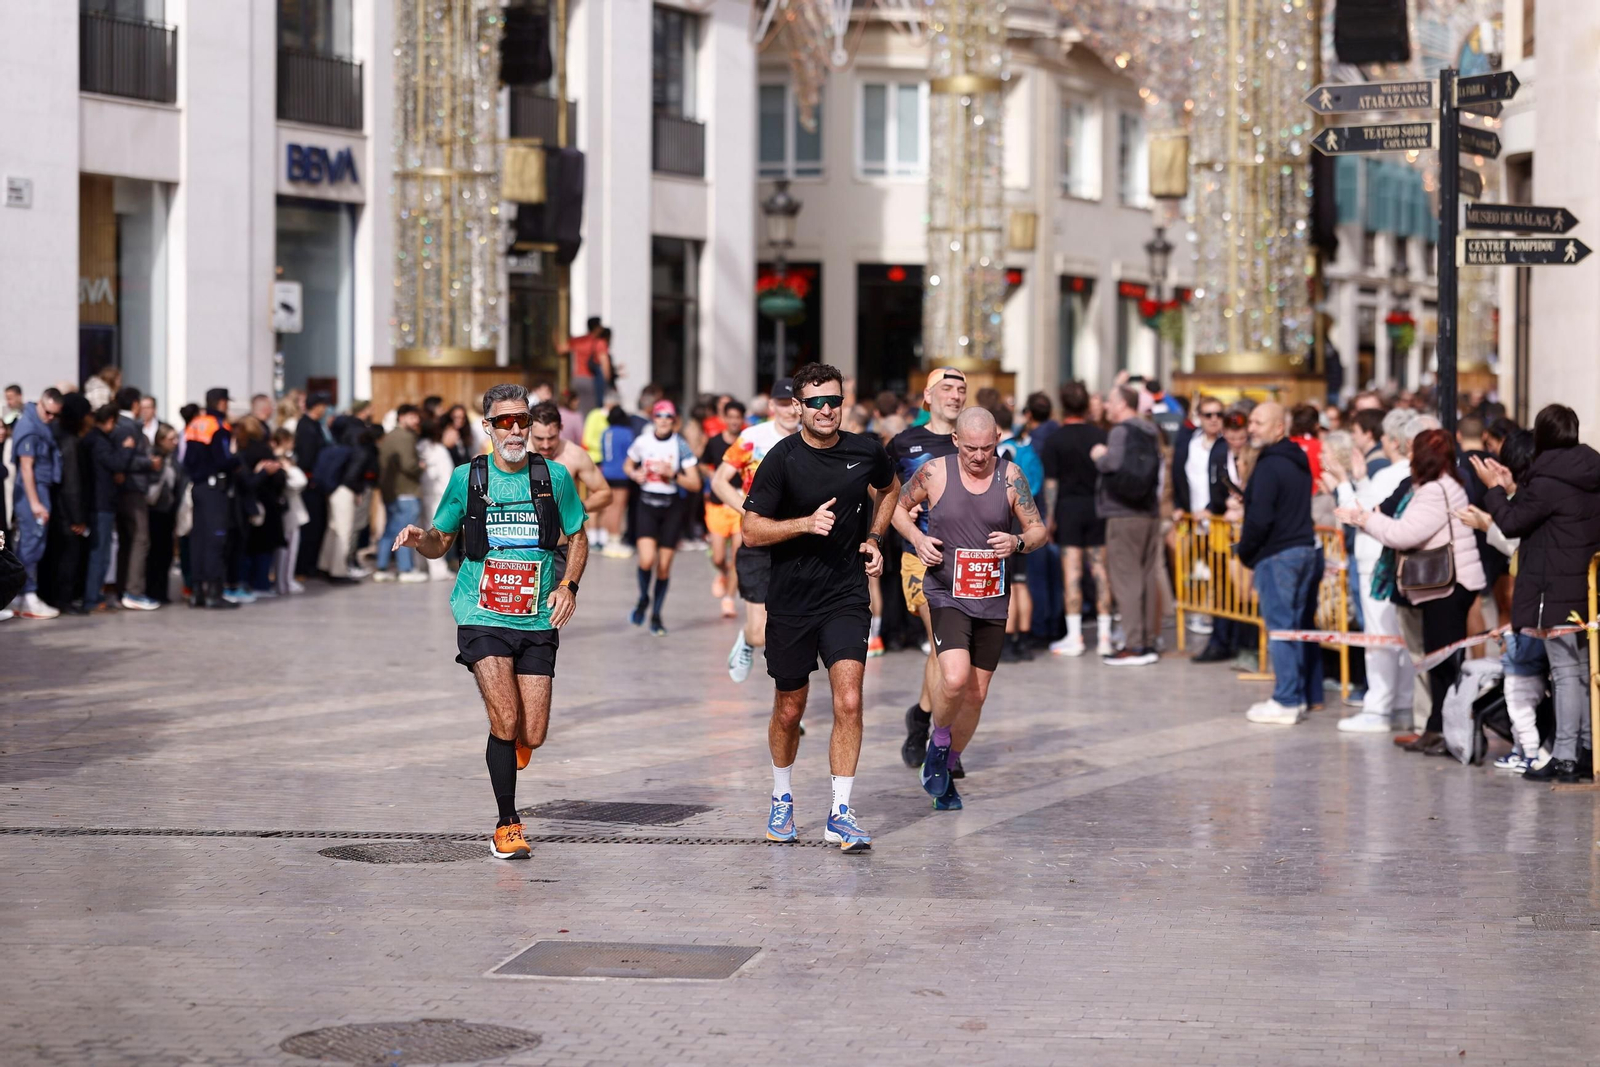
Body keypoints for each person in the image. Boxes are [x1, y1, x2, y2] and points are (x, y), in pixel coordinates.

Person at [391, 383, 589, 859]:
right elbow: (442, 539)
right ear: (488, 427)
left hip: (538, 612)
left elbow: (578, 536)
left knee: (532, 732)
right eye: (505, 422)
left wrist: (569, 586)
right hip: (481, 611)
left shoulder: (555, 476)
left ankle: (514, 741)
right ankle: (507, 824)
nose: (516, 429)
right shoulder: (467, 478)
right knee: (504, 717)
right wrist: (421, 539)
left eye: (521, 420)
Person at [742, 362, 897, 852]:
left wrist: (874, 536)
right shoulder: (782, 459)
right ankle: (782, 798)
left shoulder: (867, 449)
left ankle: (840, 811)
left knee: (849, 699)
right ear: (797, 407)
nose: (826, 410)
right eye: (815, 402)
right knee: (790, 709)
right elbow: (750, 531)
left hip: (846, 594)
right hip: (790, 600)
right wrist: (803, 525)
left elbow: (889, 489)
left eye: (834, 400)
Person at [894, 408, 1046, 811]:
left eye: (987, 448)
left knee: (976, 696)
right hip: (946, 592)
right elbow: (895, 505)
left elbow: (1038, 529)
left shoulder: (1010, 476)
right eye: (971, 449)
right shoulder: (934, 473)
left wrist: (1017, 544)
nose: (979, 457)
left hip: (993, 599)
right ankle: (938, 742)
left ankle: (945, 765)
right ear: (956, 441)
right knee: (956, 678)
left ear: (997, 439)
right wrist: (916, 537)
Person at [1337, 428, 1486, 753]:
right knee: (1438, 663)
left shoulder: (1435, 489)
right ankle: (1436, 729)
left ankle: (1450, 733)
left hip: (1446, 586)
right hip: (1448, 585)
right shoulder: (1447, 483)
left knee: (1442, 664)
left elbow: (1405, 534)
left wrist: (1363, 519)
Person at [1478, 404, 1600, 782]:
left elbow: (1513, 523)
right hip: (1585, 586)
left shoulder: (1548, 480)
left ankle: (1564, 755)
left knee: (1564, 674)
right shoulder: (1589, 471)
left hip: (1555, 587)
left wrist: (1496, 491)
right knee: (1579, 672)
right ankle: (1583, 748)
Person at [886, 368, 968, 768]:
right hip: (919, 555)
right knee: (943, 639)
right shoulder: (904, 442)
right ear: (928, 397)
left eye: (960, 390)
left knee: (947, 652)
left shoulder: (973, 442)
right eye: (946, 389)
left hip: (968, 561)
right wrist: (903, 500)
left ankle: (920, 718)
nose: (954, 395)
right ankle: (940, 740)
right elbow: (878, 489)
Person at [1323, 408, 1418, 731]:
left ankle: (1379, 706)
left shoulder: (1392, 475)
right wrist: (1358, 480)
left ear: (1393, 441)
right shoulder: (1398, 474)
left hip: (1376, 562)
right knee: (1398, 637)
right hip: (1391, 561)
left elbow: (1361, 516)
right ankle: (1401, 702)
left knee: (1380, 637)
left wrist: (1342, 483)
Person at [1238, 402, 1322, 725]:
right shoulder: (1296, 461)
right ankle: (1296, 695)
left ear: (1278, 428)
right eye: (1252, 422)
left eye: (1259, 422)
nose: (1251, 428)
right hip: (1302, 551)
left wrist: (1246, 552)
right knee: (1294, 627)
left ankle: (1287, 699)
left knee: (1282, 628)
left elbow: (1260, 518)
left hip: (1279, 555)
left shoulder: (1271, 465)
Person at [714, 378, 800, 684]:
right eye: (782, 404)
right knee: (762, 633)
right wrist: (748, 511)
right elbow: (720, 481)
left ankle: (791, 706)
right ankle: (748, 641)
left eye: (794, 403)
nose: (789, 411)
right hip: (758, 543)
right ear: (771, 406)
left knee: (793, 630)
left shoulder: (813, 438)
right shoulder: (752, 437)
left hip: (797, 541)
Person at [1091, 384, 1163, 665]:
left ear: (1122, 403)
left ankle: (1133, 645)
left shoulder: (1121, 431)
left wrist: (1099, 455)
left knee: (1126, 578)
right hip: (1149, 511)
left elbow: (1113, 464)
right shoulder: (1150, 430)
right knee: (1146, 576)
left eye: (1110, 401)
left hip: (1123, 512)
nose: (1107, 406)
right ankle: (1147, 640)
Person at [1043, 381, 1112, 658]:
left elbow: (1052, 484)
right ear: (1086, 405)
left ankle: (1075, 637)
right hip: (1097, 507)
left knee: (1072, 573)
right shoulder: (1101, 435)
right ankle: (1105, 637)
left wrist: (1049, 518)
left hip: (1068, 509)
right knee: (1100, 571)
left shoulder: (1055, 439)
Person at [623, 399, 701, 635]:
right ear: (653, 418)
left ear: (674, 420)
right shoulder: (643, 441)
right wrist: (635, 474)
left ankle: (656, 615)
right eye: (660, 416)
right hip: (646, 505)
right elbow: (628, 464)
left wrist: (673, 474)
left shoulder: (681, 445)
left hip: (671, 509)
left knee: (664, 567)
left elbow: (695, 483)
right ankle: (643, 598)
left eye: (669, 417)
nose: (664, 421)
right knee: (646, 560)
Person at [1172, 395, 1227, 640]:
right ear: (1199, 417)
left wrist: (1213, 508)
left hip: (1219, 519)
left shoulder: (1228, 444)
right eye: (1208, 415)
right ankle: (1196, 611)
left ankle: (1217, 617)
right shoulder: (1189, 444)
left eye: (1218, 414)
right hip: (1190, 518)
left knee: (1220, 569)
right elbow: (1177, 475)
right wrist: (1177, 506)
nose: (1214, 420)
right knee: (1188, 566)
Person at [182, 388, 240, 609]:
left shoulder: (195, 424)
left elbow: (186, 459)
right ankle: (214, 592)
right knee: (216, 539)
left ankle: (197, 590)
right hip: (215, 487)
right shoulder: (219, 427)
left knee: (199, 539)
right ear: (222, 403)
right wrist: (237, 461)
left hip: (198, 486)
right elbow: (223, 459)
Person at [10, 389, 64, 619]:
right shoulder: (30, 426)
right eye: (49, 412)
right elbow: (26, 467)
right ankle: (27, 595)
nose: (51, 418)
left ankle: (23, 596)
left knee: (35, 544)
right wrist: (34, 503)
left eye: (55, 415)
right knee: (31, 544)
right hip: (33, 493)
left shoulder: (40, 424)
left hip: (41, 489)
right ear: (41, 403)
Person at [527, 400, 613, 534]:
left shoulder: (575, 455)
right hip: (526, 545)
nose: (545, 445)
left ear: (561, 428)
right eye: (539, 438)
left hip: (564, 545)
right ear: (529, 430)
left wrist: (577, 509)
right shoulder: (519, 455)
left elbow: (605, 493)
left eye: (551, 438)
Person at [110, 387, 161, 610]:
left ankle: (123, 589)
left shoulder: (115, 424)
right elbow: (128, 459)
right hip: (132, 489)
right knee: (140, 539)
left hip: (119, 490)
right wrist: (150, 463)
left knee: (126, 540)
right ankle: (134, 591)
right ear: (134, 404)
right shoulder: (130, 426)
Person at [701, 399, 745, 619]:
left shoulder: (747, 442)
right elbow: (702, 462)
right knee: (718, 556)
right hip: (717, 504)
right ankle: (723, 572)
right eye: (731, 417)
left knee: (738, 555)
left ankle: (729, 599)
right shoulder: (715, 442)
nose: (735, 421)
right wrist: (712, 476)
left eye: (738, 417)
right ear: (725, 419)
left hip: (740, 505)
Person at [233, 416, 286, 597]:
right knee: (263, 548)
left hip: (244, 505)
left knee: (245, 547)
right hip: (265, 503)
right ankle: (261, 583)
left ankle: (244, 582)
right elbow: (278, 478)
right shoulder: (262, 450)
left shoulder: (238, 450)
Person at [374, 404, 427, 583]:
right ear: (401, 417)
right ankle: (405, 569)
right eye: (412, 416)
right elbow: (408, 465)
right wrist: (420, 467)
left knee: (390, 530)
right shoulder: (405, 437)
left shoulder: (389, 437)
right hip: (406, 490)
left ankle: (381, 568)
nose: (416, 420)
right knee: (406, 532)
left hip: (390, 491)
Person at [294, 392, 332, 578]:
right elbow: (307, 457)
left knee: (319, 526)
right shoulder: (306, 427)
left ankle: (312, 564)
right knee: (310, 527)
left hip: (319, 483)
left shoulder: (316, 426)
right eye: (323, 405)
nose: (325, 409)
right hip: (311, 484)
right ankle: (303, 567)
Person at [269, 427, 308, 595]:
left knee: (283, 550)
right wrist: (289, 468)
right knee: (288, 550)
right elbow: (299, 481)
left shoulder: (280, 458)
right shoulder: (281, 461)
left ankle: (283, 581)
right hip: (289, 511)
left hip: (285, 511)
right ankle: (284, 582)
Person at [597, 405, 635, 557]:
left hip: (607, 472)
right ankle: (615, 538)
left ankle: (608, 537)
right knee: (618, 508)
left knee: (608, 507)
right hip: (621, 474)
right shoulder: (627, 433)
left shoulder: (606, 432)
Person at [560, 316, 612, 412]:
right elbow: (605, 364)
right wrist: (607, 381)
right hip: (590, 379)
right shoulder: (600, 343)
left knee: (578, 407)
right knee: (590, 409)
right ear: (597, 328)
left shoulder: (578, 340)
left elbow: (561, 350)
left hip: (576, 378)